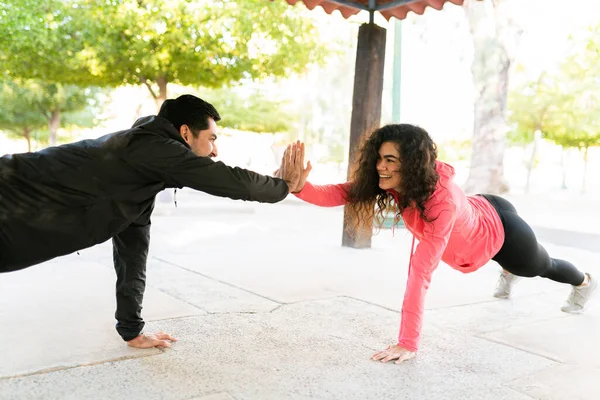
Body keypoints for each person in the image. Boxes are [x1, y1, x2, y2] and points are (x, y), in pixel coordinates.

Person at [0, 94, 302, 348]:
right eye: (211, 139)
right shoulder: (151, 150)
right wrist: (283, 186)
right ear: (185, 134)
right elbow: (228, 180)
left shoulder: (142, 171)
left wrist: (132, 330)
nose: (214, 150)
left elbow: (133, 250)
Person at [279, 124, 597, 364]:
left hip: (502, 233)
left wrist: (408, 342)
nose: (380, 166)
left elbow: (421, 272)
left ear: (413, 164)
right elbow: (341, 192)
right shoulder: (397, 183)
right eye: (379, 158)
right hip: (478, 210)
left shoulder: (440, 203)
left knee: (541, 266)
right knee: (507, 261)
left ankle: (584, 282)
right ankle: (507, 269)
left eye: (390, 160)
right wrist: (300, 187)